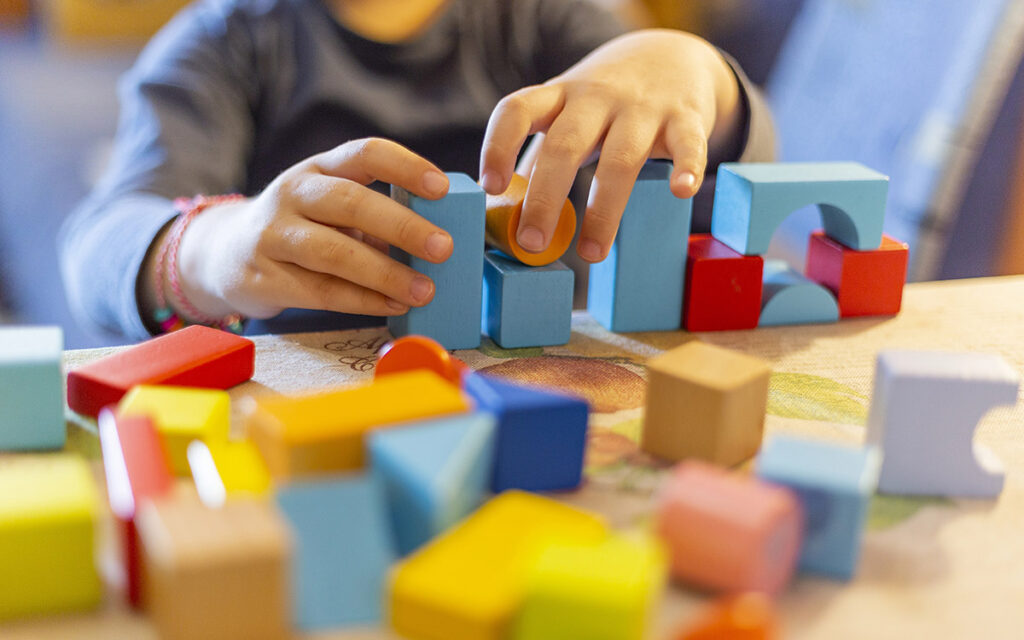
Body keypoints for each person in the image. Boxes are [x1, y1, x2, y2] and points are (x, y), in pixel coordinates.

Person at [59, 0, 775, 340]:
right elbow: (101, 241)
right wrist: (214, 247)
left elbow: (726, 193)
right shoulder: (222, 43)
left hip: (549, 364)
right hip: (317, 388)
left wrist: (703, 77)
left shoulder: (548, 20)